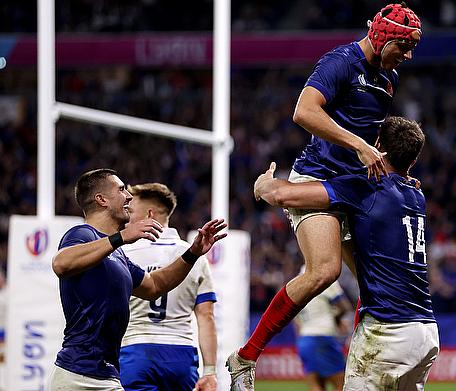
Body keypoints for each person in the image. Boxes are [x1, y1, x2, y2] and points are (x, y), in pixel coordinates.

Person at [227, 4, 423, 389]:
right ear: (383, 36)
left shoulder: (388, 78)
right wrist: (359, 146)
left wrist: (399, 178)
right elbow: (304, 112)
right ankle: (245, 357)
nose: (408, 54)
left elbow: (372, 137)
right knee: (325, 271)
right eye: (403, 45)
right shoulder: (340, 62)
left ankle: (360, 366)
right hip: (318, 179)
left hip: (356, 187)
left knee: (372, 285)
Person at [254, 117, 439, 390]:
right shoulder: (416, 196)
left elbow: (284, 195)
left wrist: (263, 185)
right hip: (425, 330)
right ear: (412, 162)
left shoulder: (367, 188)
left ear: (377, 147)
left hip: (388, 330)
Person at [49, 169, 227, 391]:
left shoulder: (118, 254)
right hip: (78, 376)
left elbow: (154, 285)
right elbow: (61, 263)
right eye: (121, 190)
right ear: (101, 199)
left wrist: (192, 253)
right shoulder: (82, 234)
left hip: (107, 375)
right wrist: (121, 237)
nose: (129, 196)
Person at [119, 183, 217, 391]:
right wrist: (209, 371)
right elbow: (206, 316)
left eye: (131, 211)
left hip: (136, 350)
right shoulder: (195, 256)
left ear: (149, 214)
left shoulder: (125, 254)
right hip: (180, 355)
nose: (126, 217)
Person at [294, 266, 352, 391]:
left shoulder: (295, 284)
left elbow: (296, 322)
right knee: (341, 382)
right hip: (322, 337)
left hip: (304, 340)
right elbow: (344, 306)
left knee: (316, 385)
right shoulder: (323, 278)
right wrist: (336, 320)